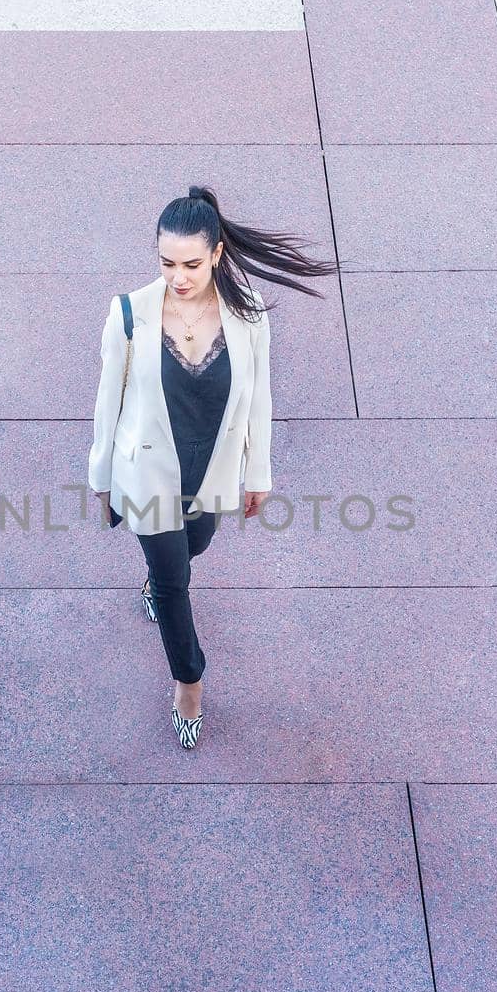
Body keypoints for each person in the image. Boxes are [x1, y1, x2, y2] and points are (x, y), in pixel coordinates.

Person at [86, 184, 336, 749]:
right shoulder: (128, 315)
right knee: (176, 584)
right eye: (167, 262)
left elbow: (261, 399)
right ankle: (189, 683)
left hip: (212, 469)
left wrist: (259, 475)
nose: (178, 275)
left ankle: (158, 574)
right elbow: (107, 403)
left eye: (191, 263)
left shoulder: (247, 315)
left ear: (217, 253)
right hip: (149, 474)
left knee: (196, 544)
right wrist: (101, 478)